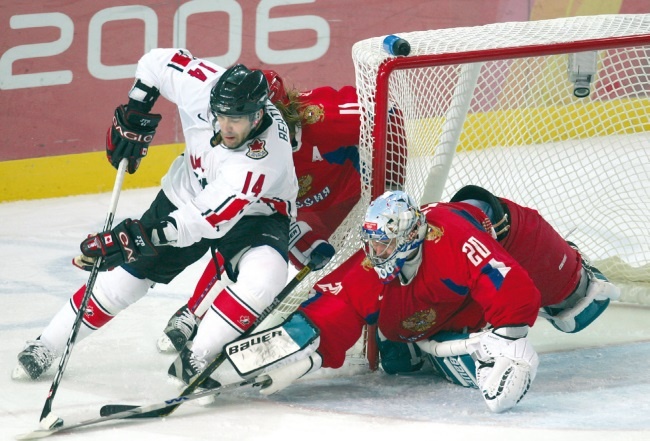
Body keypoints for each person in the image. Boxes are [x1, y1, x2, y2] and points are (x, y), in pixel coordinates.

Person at [12, 48, 298, 390]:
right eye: (219, 117)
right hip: (186, 192)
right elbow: (156, 63)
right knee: (125, 281)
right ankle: (46, 344)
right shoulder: (204, 86)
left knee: (266, 277)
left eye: (235, 120)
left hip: (255, 216)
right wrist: (136, 110)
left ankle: (197, 357)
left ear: (257, 116)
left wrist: (141, 236)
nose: (224, 127)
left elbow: (206, 221)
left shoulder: (263, 158)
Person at [237, 185, 621, 412]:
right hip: (456, 285)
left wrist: (510, 341)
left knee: (581, 310)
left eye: (384, 242)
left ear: (408, 237)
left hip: (515, 238)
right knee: (400, 357)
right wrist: (303, 339)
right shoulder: (385, 255)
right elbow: (343, 299)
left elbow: (511, 286)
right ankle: (434, 334)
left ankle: (575, 269)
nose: (376, 251)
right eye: (372, 242)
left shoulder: (449, 236)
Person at [155, 71, 368, 353]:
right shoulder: (238, 149)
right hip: (295, 212)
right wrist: (296, 236)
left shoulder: (320, 115)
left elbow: (382, 110)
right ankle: (194, 312)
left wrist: (386, 174)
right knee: (243, 240)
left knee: (355, 265)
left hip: (352, 202)